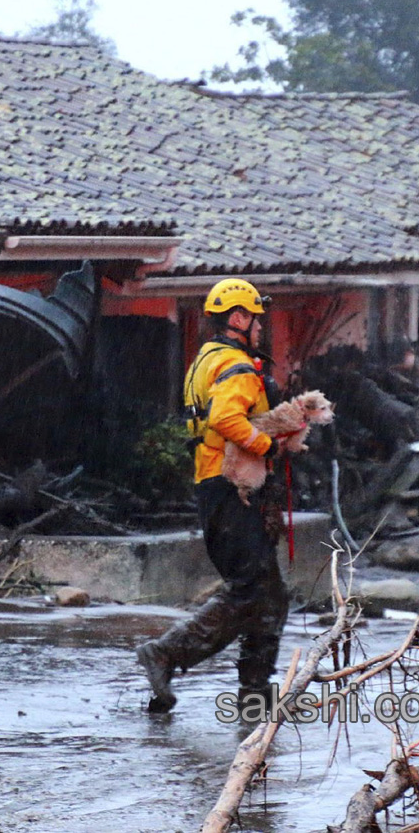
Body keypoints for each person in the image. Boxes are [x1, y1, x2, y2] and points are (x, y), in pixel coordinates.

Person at [135, 278, 289, 713]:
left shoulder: (209, 358)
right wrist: (269, 446)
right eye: (255, 317)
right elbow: (226, 418)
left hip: (223, 485)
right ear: (237, 319)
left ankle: (256, 700)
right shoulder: (237, 366)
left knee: (270, 594)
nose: (260, 326)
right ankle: (167, 653)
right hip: (231, 487)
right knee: (250, 589)